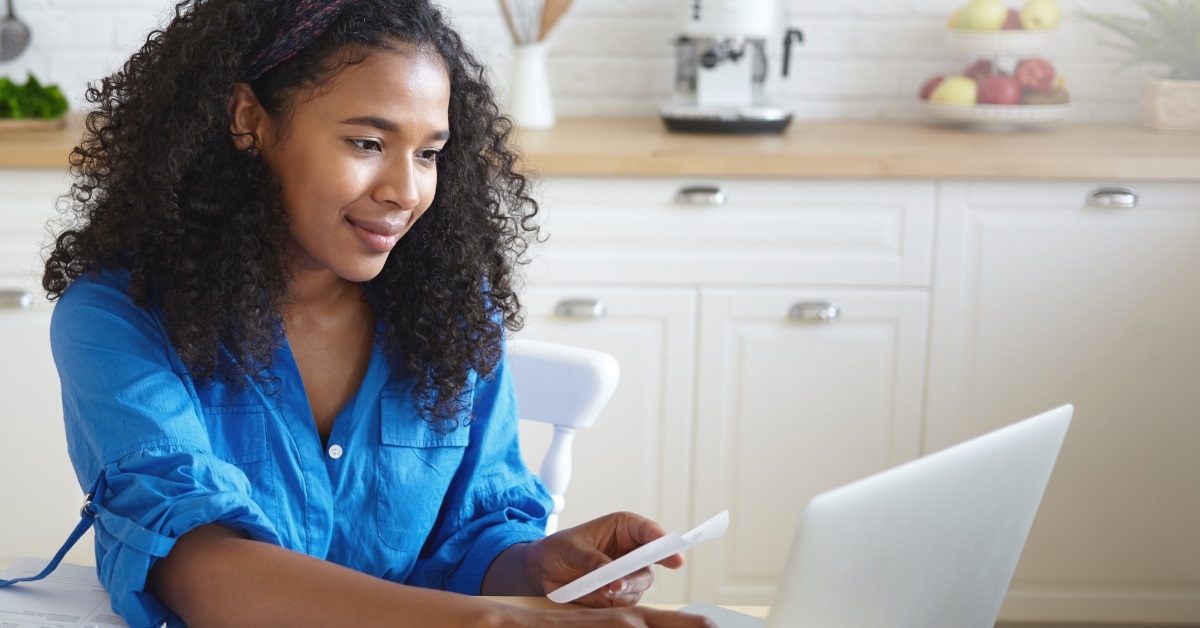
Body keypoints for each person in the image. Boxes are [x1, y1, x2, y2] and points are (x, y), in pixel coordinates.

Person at [37, 1, 715, 626]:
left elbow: (472, 541)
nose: (405, 190)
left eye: (428, 154)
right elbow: (203, 573)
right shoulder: (117, 318)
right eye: (367, 143)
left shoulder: (449, 314)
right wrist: (497, 620)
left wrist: (540, 568)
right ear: (250, 121)